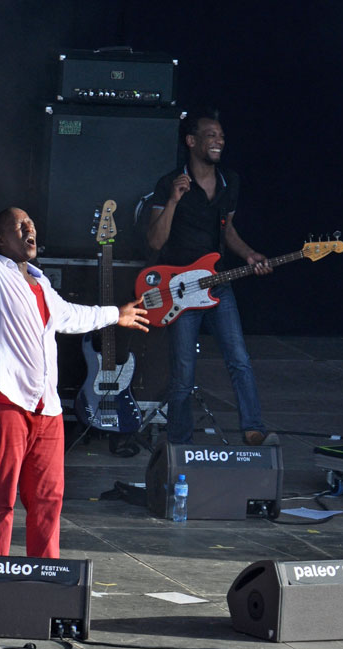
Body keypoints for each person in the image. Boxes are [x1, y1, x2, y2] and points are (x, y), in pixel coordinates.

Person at [0, 131, 150, 559]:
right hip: (3, 400)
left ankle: (45, 577)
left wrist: (116, 314)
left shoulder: (40, 283)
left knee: (48, 501)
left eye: (31, 224)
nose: (29, 229)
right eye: (20, 226)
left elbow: (71, 316)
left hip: (46, 409)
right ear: (0, 240)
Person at [146, 110, 275, 447]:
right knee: (183, 373)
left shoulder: (229, 182)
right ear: (192, 141)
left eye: (221, 136)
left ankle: (253, 428)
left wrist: (249, 254)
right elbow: (155, 242)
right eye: (211, 136)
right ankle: (179, 445)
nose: (219, 141)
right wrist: (173, 200)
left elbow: (227, 230)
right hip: (180, 289)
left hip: (218, 284)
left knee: (239, 360)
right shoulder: (169, 183)